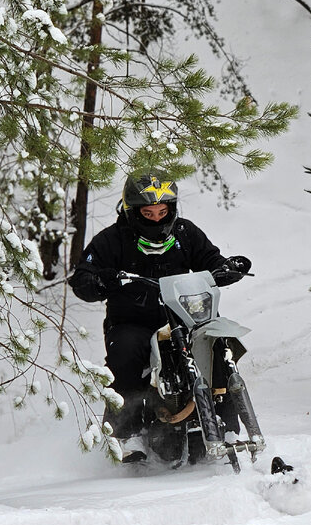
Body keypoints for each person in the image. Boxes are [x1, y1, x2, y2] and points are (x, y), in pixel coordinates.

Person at [69, 171, 251, 463]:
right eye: (148, 212)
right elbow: (82, 279)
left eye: (162, 211)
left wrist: (226, 267)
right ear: (132, 211)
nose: (156, 218)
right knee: (126, 352)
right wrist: (104, 280)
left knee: (221, 343)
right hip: (132, 322)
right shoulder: (112, 240)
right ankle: (129, 433)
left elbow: (210, 259)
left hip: (185, 318)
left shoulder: (185, 233)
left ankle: (230, 425)